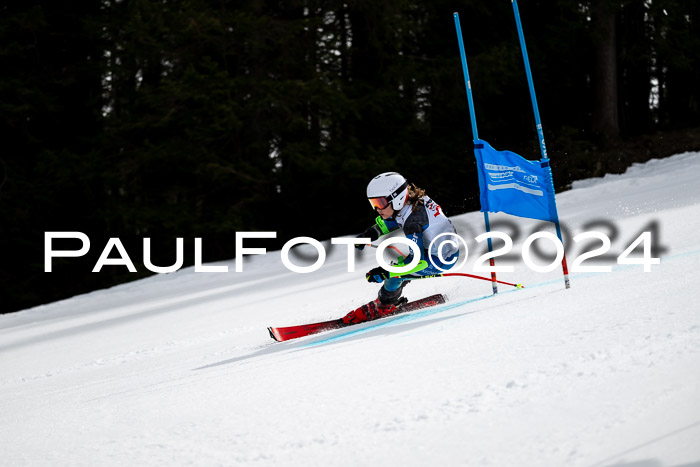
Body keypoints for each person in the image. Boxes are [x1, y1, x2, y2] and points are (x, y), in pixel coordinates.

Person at [342, 172, 459, 324]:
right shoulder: (412, 202)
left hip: (439, 260)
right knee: (399, 269)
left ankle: (384, 305)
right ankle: (393, 295)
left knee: (395, 273)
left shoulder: (413, 222)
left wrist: (385, 272)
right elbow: (395, 219)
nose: (377, 209)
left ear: (396, 198)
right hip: (435, 250)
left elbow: (418, 262)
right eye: (373, 204)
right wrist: (371, 233)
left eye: (380, 203)